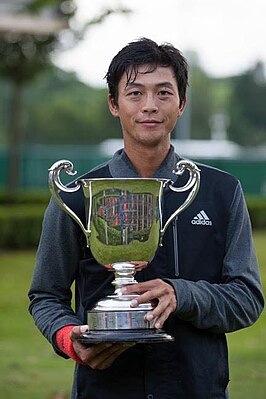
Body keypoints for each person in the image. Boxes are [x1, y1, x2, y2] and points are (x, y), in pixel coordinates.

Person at [28, 38, 264, 399]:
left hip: (196, 390)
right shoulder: (77, 195)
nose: (150, 106)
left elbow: (247, 299)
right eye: (135, 93)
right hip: (104, 390)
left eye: (164, 93)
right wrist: (68, 337)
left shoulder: (221, 191)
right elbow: (46, 294)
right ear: (114, 104)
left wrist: (180, 294)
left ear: (182, 103)